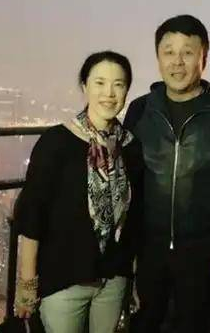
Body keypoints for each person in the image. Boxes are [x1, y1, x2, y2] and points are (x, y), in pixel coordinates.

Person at [124, 14, 210, 333]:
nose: (177, 62)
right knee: (143, 323)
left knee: (193, 324)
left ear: (203, 58)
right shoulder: (141, 109)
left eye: (187, 52)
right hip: (148, 246)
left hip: (201, 249)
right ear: (158, 57)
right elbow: (128, 179)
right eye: (168, 51)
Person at [13, 51, 143, 333]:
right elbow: (33, 215)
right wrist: (27, 283)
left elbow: (134, 219)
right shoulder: (57, 142)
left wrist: (131, 277)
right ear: (85, 86)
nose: (109, 93)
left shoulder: (131, 147)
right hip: (65, 279)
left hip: (114, 279)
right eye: (100, 83)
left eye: (118, 84)